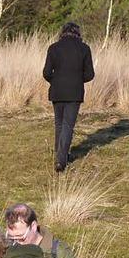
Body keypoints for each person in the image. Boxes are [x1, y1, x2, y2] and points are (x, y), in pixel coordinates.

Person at [42, 21, 94, 172]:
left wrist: (56, 81)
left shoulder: (53, 48)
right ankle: (61, 159)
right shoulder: (84, 49)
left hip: (57, 91)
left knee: (59, 124)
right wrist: (77, 80)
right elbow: (90, 74)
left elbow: (46, 73)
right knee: (67, 125)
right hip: (74, 92)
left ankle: (60, 155)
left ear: (62, 32)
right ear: (78, 33)